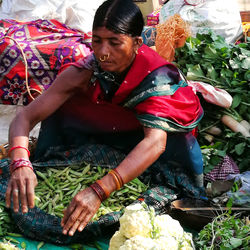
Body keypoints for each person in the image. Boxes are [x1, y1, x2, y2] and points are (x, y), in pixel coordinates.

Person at [5, 0, 204, 238]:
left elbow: (155, 143)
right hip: (108, 138)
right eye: (97, 41)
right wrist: (20, 163)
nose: (102, 52)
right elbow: (25, 116)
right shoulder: (87, 69)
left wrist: (100, 190)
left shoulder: (157, 77)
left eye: (115, 42)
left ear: (137, 43)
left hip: (156, 154)